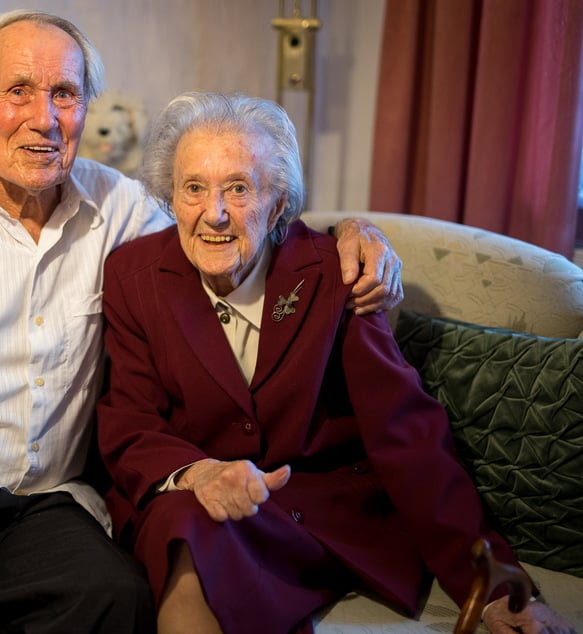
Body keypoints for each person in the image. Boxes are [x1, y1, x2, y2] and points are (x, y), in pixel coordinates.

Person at [0, 11, 404, 634]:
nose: (43, 118)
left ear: (85, 109)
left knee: (118, 601)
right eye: (18, 91)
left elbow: (232, 224)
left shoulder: (123, 207)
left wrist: (353, 231)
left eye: (64, 94)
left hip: (37, 505)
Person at [96, 91, 576, 634]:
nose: (216, 213)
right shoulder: (133, 278)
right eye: (194, 189)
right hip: (199, 503)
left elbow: (406, 432)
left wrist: (494, 585)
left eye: (238, 187)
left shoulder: (337, 272)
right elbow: (130, 421)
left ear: (277, 203)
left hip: (317, 517)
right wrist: (200, 473)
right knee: (180, 521)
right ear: (170, 198)